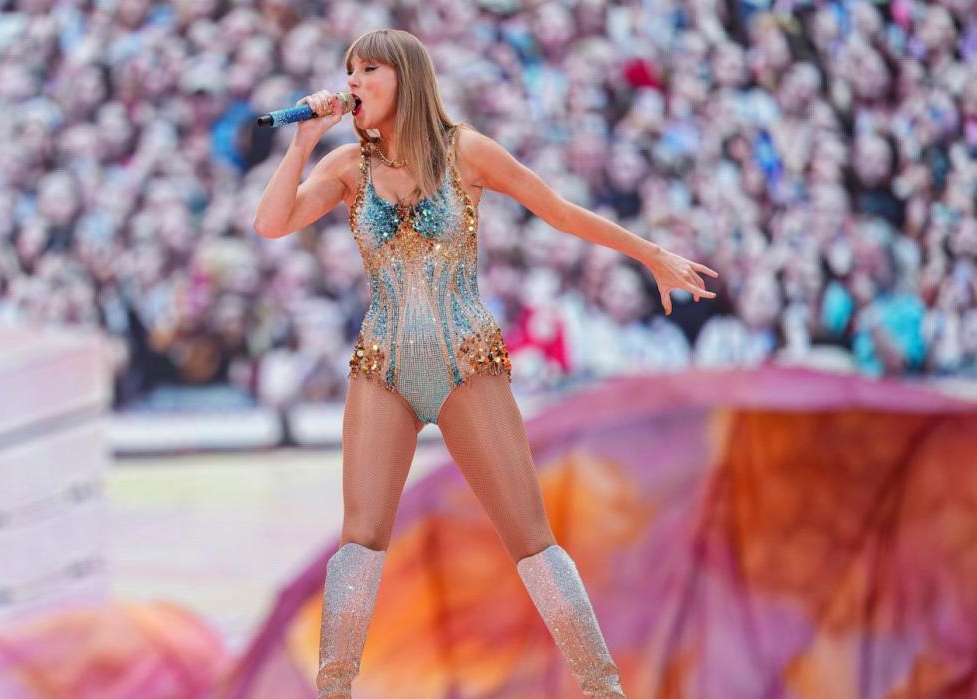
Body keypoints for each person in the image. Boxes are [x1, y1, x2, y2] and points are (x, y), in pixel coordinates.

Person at [253, 28, 719, 699]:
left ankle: (602, 687)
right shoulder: (346, 166)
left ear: (406, 79)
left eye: (369, 70)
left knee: (530, 536)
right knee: (359, 536)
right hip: (381, 366)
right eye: (349, 70)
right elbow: (271, 224)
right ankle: (334, 690)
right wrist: (302, 142)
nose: (352, 82)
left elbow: (558, 211)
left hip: (466, 361)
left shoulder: (464, 150)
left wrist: (648, 253)